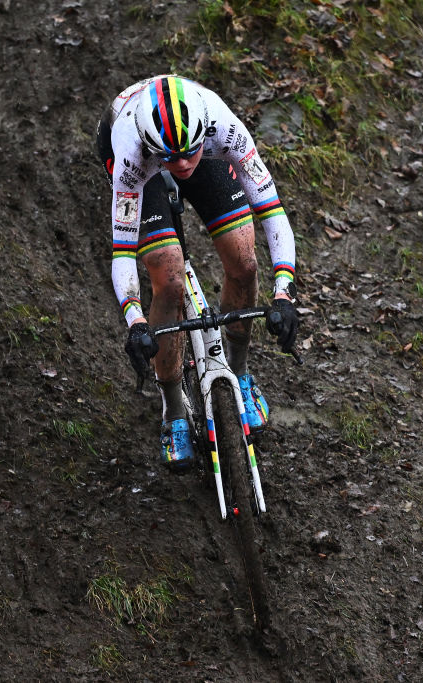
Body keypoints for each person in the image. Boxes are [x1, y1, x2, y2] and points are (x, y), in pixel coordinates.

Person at [95, 75, 299, 468]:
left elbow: (273, 212)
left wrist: (284, 293)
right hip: (135, 156)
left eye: (190, 153)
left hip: (199, 149)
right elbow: (123, 252)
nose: (184, 165)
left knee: (244, 260)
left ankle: (239, 372)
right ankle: (173, 409)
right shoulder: (131, 154)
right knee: (168, 278)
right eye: (172, 158)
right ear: (152, 148)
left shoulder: (223, 126)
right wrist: (135, 321)